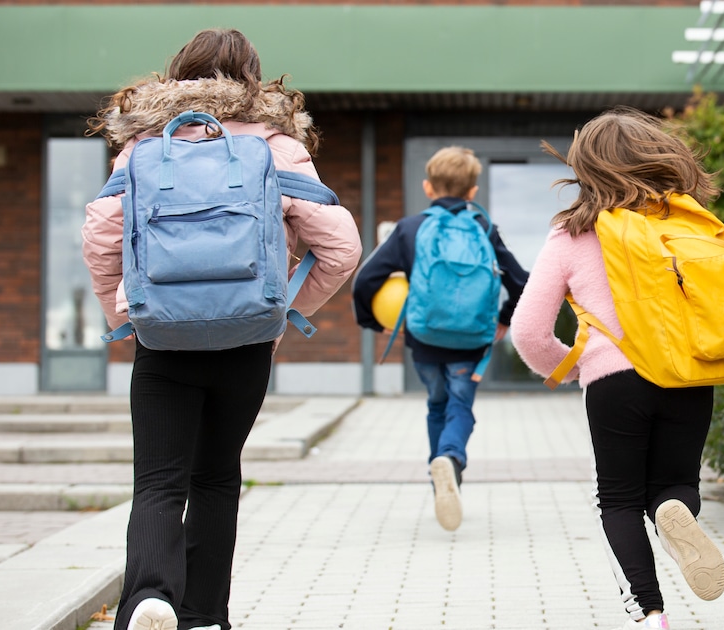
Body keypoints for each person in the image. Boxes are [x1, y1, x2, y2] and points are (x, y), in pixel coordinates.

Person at [83, 28, 362, 630]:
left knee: (159, 480)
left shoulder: (147, 144)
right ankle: (204, 616)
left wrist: (123, 313)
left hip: (162, 337)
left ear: (178, 73)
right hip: (247, 340)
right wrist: (284, 310)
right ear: (253, 79)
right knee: (216, 476)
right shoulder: (277, 144)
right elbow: (341, 246)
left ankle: (148, 600)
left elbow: (100, 236)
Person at [510, 108, 724, 630]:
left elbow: (529, 330)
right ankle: (673, 512)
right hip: (687, 376)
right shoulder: (694, 226)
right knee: (677, 482)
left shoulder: (572, 233)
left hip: (615, 381)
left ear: (589, 168)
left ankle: (650, 611)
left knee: (617, 498)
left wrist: (570, 369)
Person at [351, 146, 529, 532]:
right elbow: (522, 282)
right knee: (459, 405)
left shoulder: (410, 228)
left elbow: (366, 280)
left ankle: (440, 478)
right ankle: (450, 459)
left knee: (436, 405)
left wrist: (371, 321)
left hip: (425, 339)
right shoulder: (483, 228)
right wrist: (504, 319)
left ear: (428, 188)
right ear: (472, 192)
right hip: (471, 341)